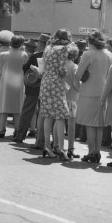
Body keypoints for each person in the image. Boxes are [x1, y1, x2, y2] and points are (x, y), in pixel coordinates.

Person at [76, 30, 112, 163]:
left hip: (89, 92)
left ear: (90, 41)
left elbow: (78, 74)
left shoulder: (88, 54)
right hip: (103, 92)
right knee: (99, 124)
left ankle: (91, 152)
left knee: (90, 124)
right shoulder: (108, 54)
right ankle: (97, 151)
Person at [38, 29, 72, 160]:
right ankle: (60, 148)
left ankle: (47, 146)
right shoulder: (63, 49)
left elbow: (45, 66)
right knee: (61, 115)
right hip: (56, 83)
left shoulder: (48, 47)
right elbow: (62, 69)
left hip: (45, 82)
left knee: (48, 115)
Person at [15, 33, 50, 144]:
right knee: (43, 114)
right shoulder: (51, 57)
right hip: (46, 88)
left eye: (38, 42)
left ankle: (20, 135)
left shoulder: (36, 56)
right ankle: (40, 140)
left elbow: (24, 67)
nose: (37, 44)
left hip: (33, 87)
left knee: (27, 111)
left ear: (42, 44)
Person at [0, 35, 27, 138]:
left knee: (3, 107)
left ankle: (2, 130)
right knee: (18, 108)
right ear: (21, 44)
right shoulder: (24, 55)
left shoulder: (3, 54)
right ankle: (17, 131)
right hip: (18, 82)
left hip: (5, 82)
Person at [64, 43, 81, 159]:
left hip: (61, 96)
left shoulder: (60, 65)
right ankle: (71, 148)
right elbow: (76, 85)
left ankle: (57, 145)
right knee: (71, 124)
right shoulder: (75, 67)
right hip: (73, 97)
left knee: (58, 122)